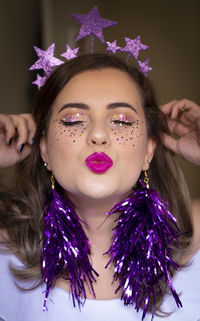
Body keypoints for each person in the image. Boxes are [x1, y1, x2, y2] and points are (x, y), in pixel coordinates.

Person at [0, 54, 199, 321]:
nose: (98, 134)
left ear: (148, 151)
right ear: (44, 149)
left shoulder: (195, 234)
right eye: (73, 120)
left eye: (121, 121)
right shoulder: (5, 252)